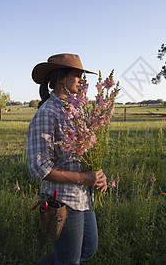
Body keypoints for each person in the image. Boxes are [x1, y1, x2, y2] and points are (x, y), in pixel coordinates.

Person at [27, 53, 108, 265]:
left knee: (88, 249)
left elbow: (87, 152)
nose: (82, 80)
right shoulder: (47, 113)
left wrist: (97, 175)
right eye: (77, 74)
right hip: (62, 199)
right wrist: (83, 178)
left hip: (84, 196)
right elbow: (39, 167)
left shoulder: (78, 110)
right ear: (61, 78)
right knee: (69, 260)